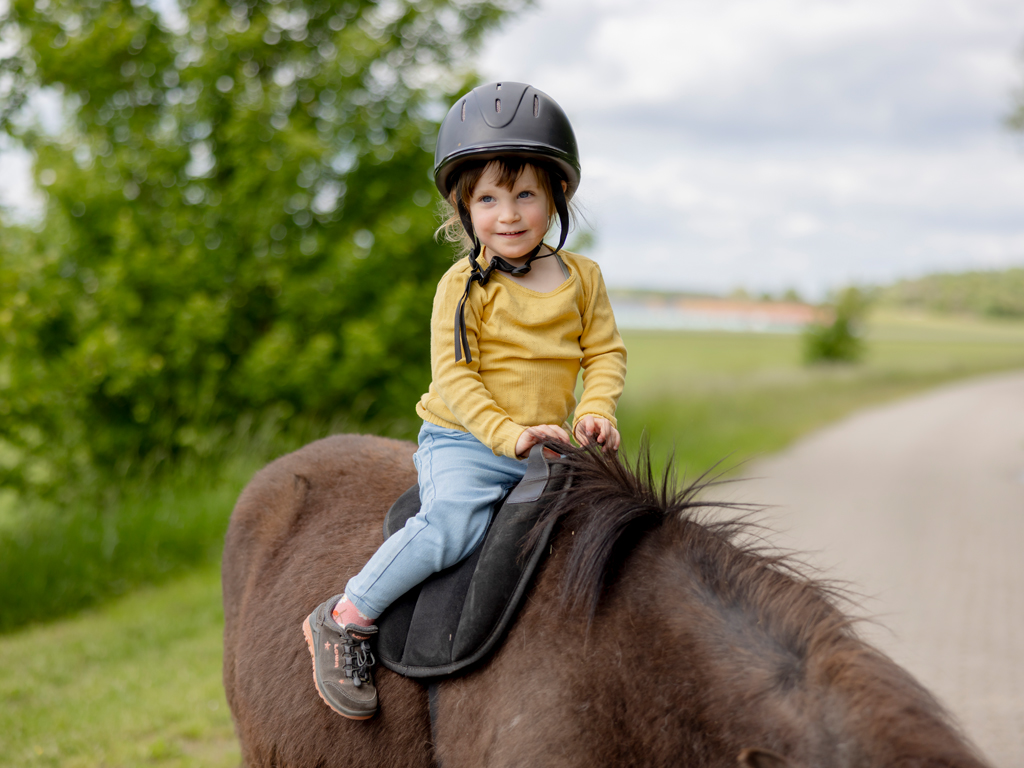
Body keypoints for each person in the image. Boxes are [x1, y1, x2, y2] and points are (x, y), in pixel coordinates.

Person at [302, 82, 627, 720]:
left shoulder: (583, 278)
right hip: (468, 441)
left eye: (525, 193)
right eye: (488, 198)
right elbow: (456, 379)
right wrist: (508, 436)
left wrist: (598, 410)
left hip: (548, 441)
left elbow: (604, 354)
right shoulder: (461, 286)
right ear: (464, 207)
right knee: (452, 524)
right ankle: (348, 615)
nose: (508, 213)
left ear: (556, 196)